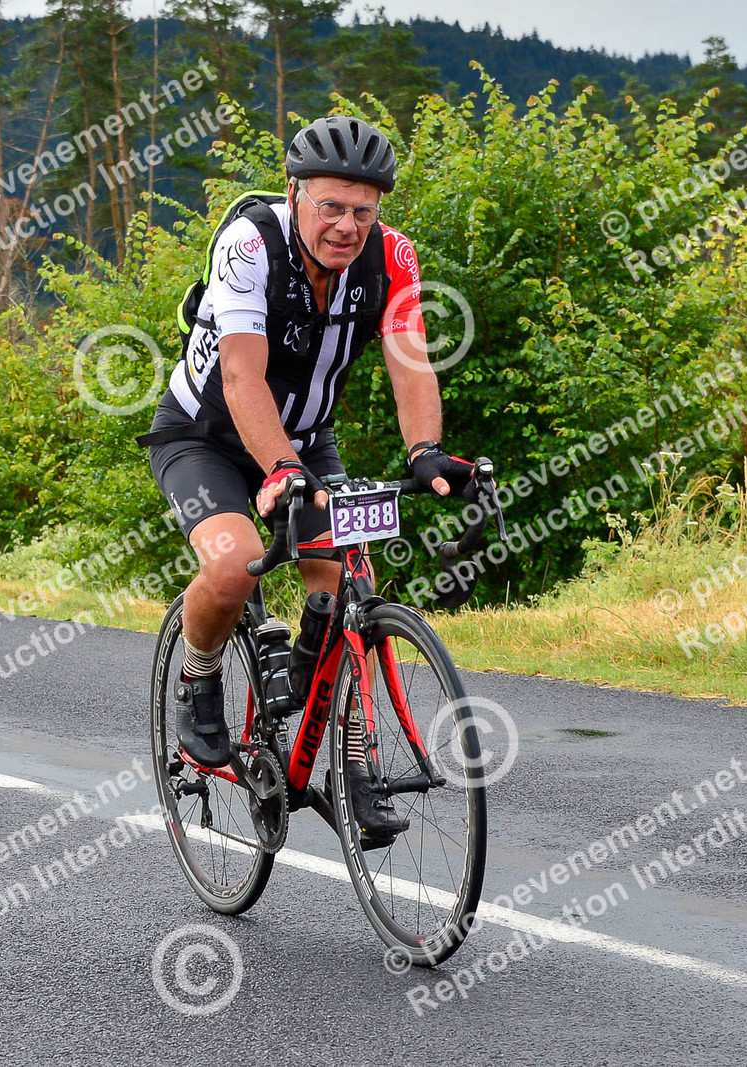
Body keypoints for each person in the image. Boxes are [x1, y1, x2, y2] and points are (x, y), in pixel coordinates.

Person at [142, 116, 474, 843]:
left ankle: (355, 763)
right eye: (330, 207)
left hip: (306, 441)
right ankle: (199, 677)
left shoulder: (393, 257)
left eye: (363, 211)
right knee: (233, 564)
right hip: (204, 436)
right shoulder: (249, 245)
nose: (347, 226)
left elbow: (410, 361)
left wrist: (425, 450)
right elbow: (241, 376)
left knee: (346, 579)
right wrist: (280, 468)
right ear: (294, 193)